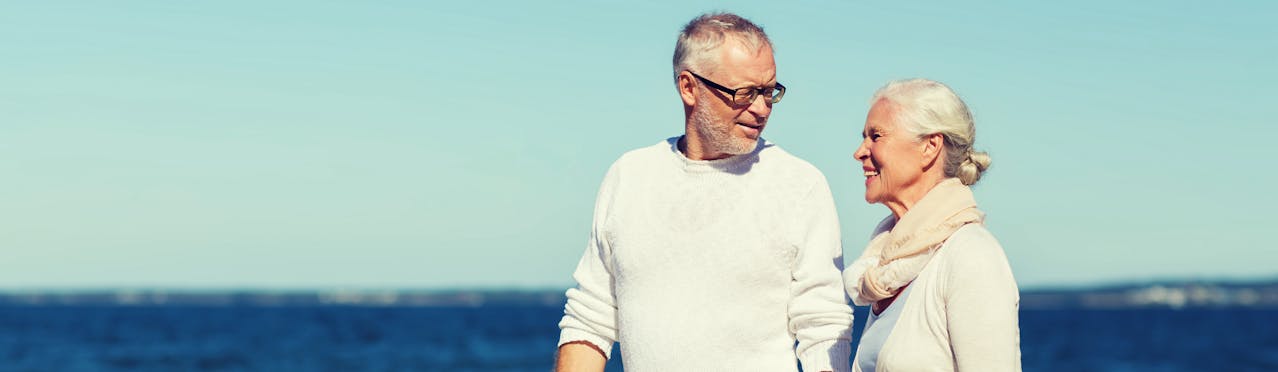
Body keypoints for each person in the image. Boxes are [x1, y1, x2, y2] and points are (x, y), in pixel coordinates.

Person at [554, 12, 854, 372]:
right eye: (744, 93)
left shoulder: (800, 184)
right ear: (688, 87)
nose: (761, 109)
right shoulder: (629, 176)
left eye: (768, 92)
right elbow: (591, 316)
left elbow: (823, 325)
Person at [843, 79, 1020, 371]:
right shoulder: (888, 261)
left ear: (930, 146)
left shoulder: (971, 255)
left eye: (876, 136)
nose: (860, 152)